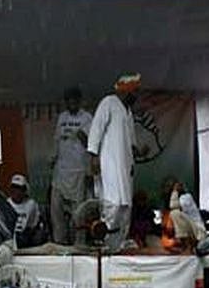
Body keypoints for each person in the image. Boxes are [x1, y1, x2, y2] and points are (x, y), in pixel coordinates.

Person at [87, 74, 142, 252]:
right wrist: (93, 156)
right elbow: (96, 129)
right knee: (113, 205)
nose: (137, 95)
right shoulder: (108, 103)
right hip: (110, 165)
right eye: (135, 91)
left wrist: (138, 152)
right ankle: (106, 245)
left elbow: (131, 143)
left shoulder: (128, 111)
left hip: (126, 168)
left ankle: (119, 245)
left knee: (126, 207)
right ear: (127, 90)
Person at [50, 87, 93, 245]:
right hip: (61, 171)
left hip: (78, 171)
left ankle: (79, 244)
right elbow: (56, 141)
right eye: (68, 101)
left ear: (79, 101)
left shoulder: (87, 118)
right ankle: (59, 242)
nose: (71, 103)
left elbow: (90, 143)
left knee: (78, 212)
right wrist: (53, 158)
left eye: (74, 100)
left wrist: (78, 133)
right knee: (56, 209)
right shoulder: (62, 117)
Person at [168, 183, 207, 252]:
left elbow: (173, 206)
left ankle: (187, 245)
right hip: (191, 228)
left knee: (175, 213)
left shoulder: (186, 197)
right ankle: (184, 244)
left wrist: (175, 191)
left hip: (197, 231)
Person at [7, 174, 40, 249]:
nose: (16, 191)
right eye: (14, 187)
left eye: (19, 188)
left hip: (26, 238)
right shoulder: (6, 204)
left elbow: (34, 225)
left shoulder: (31, 205)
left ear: (24, 190)